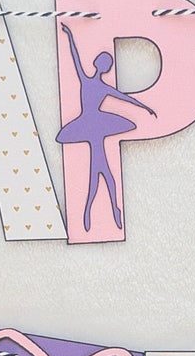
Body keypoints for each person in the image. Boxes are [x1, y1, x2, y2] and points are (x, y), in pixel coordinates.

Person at [57, 22, 157, 232]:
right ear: (99, 64)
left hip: (95, 126)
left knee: (102, 177)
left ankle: (99, 211)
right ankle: (100, 211)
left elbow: (126, 98)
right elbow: (74, 57)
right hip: (90, 125)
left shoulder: (98, 85)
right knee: (101, 177)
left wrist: (146, 107)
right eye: (104, 62)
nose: (104, 65)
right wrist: (69, 35)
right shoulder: (88, 81)